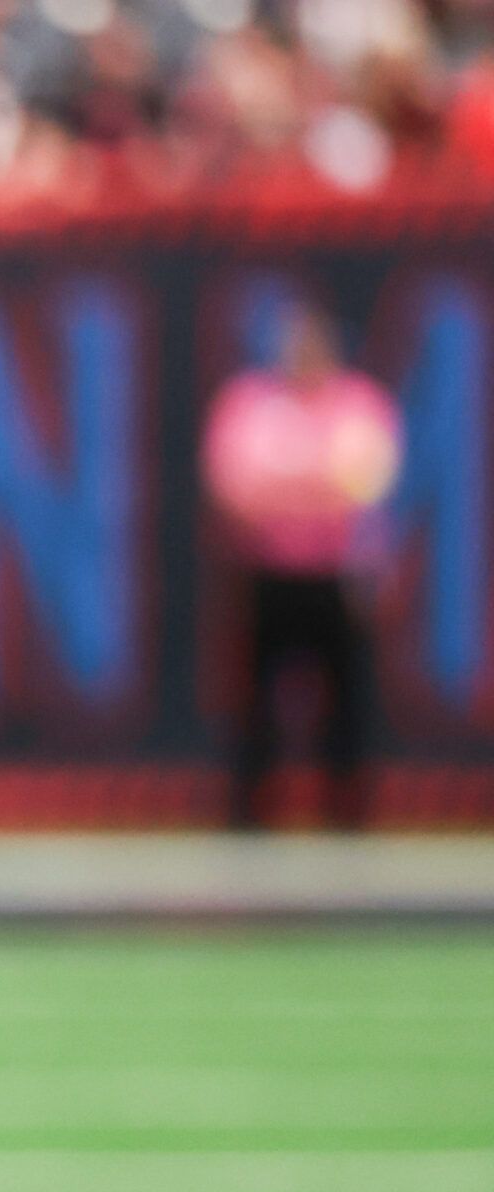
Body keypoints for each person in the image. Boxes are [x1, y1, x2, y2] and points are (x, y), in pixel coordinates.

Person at [203, 301, 403, 828]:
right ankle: (249, 823)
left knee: (347, 706)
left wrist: (290, 483)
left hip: (338, 575)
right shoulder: (250, 403)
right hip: (267, 574)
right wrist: (319, 484)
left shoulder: (358, 403)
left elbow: (369, 485)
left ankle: (349, 823)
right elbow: (236, 489)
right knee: (255, 706)